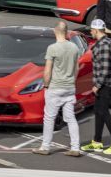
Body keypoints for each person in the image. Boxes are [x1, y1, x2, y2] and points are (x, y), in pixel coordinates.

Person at [34, 22, 82, 157]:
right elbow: (76, 68)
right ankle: (75, 147)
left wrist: (46, 85)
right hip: (69, 87)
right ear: (66, 32)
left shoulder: (52, 48)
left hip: (55, 87)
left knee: (49, 118)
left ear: (56, 32)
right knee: (71, 118)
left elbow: (47, 70)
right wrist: (72, 81)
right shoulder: (74, 48)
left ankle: (45, 146)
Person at [82, 18, 111, 154]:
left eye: (91, 30)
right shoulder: (104, 42)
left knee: (103, 112)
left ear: (96, 30)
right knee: (98, 112)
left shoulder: (104, 45)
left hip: (105, 85)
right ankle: (97, 142)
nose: (90, 32)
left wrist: (98, 85)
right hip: (103, 84)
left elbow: (106, 68)